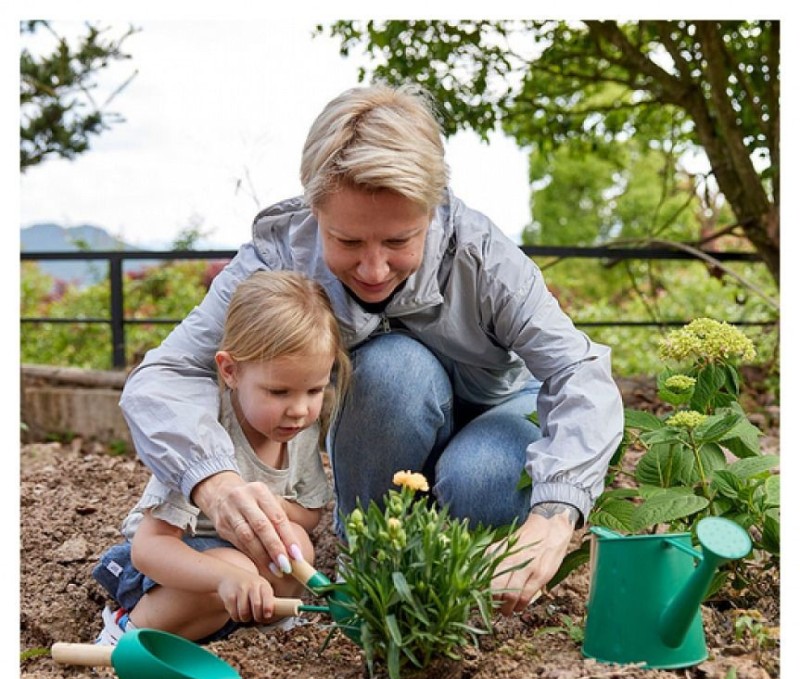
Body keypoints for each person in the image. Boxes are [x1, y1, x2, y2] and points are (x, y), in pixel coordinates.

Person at [120, 83, 624, 617]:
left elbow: (578, 371)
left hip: (498, 408)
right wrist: (214, 482)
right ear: (314, 208)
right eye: (348, 241)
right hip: (391, 413)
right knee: (390, 369)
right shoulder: (280, 255)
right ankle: (370, 564)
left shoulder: (482, 256)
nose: (374, 269)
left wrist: (554, 516)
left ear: (432, 209)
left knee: (480, 482)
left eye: (400, 241)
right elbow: (167, 372)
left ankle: (451, 569)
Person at [93, 271, 351, 643]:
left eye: (314, 390)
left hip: (239, 572)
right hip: (170, 566)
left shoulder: (298, 431)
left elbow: (310, 512)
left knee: (294, 541)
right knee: (237, 563)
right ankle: (129, 631)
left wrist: (269, 508)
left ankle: (266, 627)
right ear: (230, 371)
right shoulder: (200, 434)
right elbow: (150, 548)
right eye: (278, 392)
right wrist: (227, 576)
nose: (299, 409)